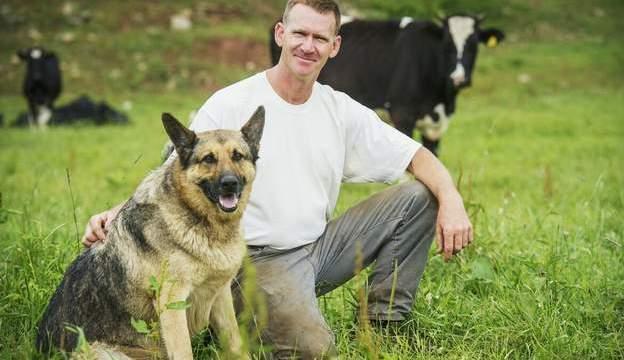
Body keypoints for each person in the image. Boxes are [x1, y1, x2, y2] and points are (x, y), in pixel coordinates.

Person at [82, 0, 473, 358]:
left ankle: (385, 325)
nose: (308, 46)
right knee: (314, 350)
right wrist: (118, 212)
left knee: (422, 196)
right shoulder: (231, 102)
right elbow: (174, 171)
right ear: (280, 34)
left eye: (320, 38)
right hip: (253, 260)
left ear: (335, 47)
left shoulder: (339, 109)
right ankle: (261, 319)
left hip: (321, 247)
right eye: (300, 33)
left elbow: (418, 155)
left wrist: (452, 199)